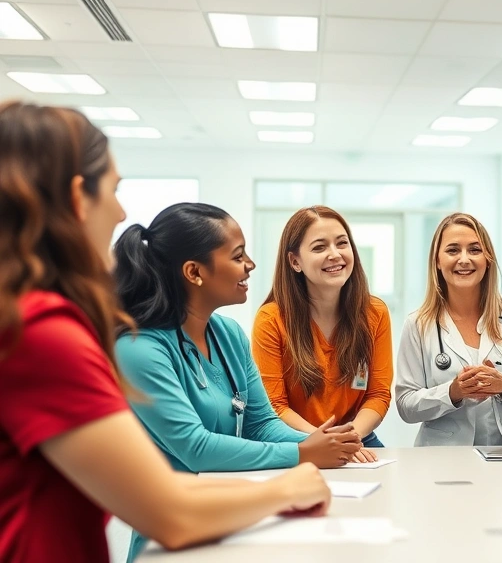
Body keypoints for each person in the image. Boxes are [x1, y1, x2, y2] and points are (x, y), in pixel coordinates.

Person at [0, 101, 331, 563]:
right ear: (78, 198)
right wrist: (289, 483)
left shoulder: (25, 318)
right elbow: (170, 511)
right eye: (113, 192)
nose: (120, 215)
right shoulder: (43, 332)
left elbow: (255, 425)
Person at [113, 202, 362, 560]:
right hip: (175, 536)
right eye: (237, 256)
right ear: (194, 272)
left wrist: (325, 442)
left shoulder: (227, 334)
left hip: (233, 515)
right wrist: (302, 452)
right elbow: (194, 448)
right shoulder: (139, 349)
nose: (251, 265)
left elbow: (261, 424)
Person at [395, 213, 502, 445]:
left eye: (474, 250)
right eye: (452, 250)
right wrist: (452, 393)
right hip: (444, 458)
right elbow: (406, 405)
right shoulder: (418, 323)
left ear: (487, 259)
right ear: (437, 261)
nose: (464, 259)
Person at [253, 206, 392, 461]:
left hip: (356, 435)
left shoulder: (375, 313)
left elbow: (378, 394)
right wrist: (325, 441)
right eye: (319, 247)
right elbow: (275, 406)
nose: (335, 254)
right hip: (296, 438)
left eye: (342, 243)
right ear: (295, 261)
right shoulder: (271, 320)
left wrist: (350, 437)